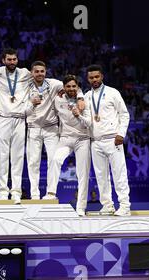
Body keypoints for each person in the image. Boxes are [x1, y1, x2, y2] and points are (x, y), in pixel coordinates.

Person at [25, 61, 83, 200]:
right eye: (36, 71)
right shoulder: (26, 86)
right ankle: (34, 194)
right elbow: (24, 110)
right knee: (33, 162)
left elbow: (74, 86)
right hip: (33, 127)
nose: (39, 74)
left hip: (51, 128)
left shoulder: (54, 84)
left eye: (42, 71)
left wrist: (80, 97)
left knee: (53, 160)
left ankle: (51, 193)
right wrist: (32, 104)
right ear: (32, 72)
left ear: (45, 72)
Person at [0, 48, 31, 204]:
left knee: (17, 157)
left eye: (14, 59)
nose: (12, 62)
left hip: (19, 118)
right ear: (3, 60)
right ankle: (3, 192)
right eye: (9, 59)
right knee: (2, 156)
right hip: (2, 117)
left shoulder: (24, 73)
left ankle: (16, 192)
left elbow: (43, 78)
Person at [85, 64, 131, 216]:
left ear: (102, 76)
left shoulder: (113, 92)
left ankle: (124, 205)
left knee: (119, 173)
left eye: (97, 77)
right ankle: (107, 205)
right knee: (100, 175)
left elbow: (124, 114)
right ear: (88, 79)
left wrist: (121, 134)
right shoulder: (86, 96)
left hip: (113, 139)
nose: (94, 80)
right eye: (91, 77)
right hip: (95, 140)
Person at [44, 75, 91, 216]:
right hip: (65, 139)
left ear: (78, 87)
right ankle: (51, 193)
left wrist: (79, 115)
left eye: (74, 86)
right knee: (55, 159)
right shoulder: (58, 99)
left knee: (82, 173)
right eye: (68, 86)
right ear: (63, 87)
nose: (71, 89)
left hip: (82, 139)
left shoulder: (85, 101)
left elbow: (89, 123)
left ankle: (81, 207)